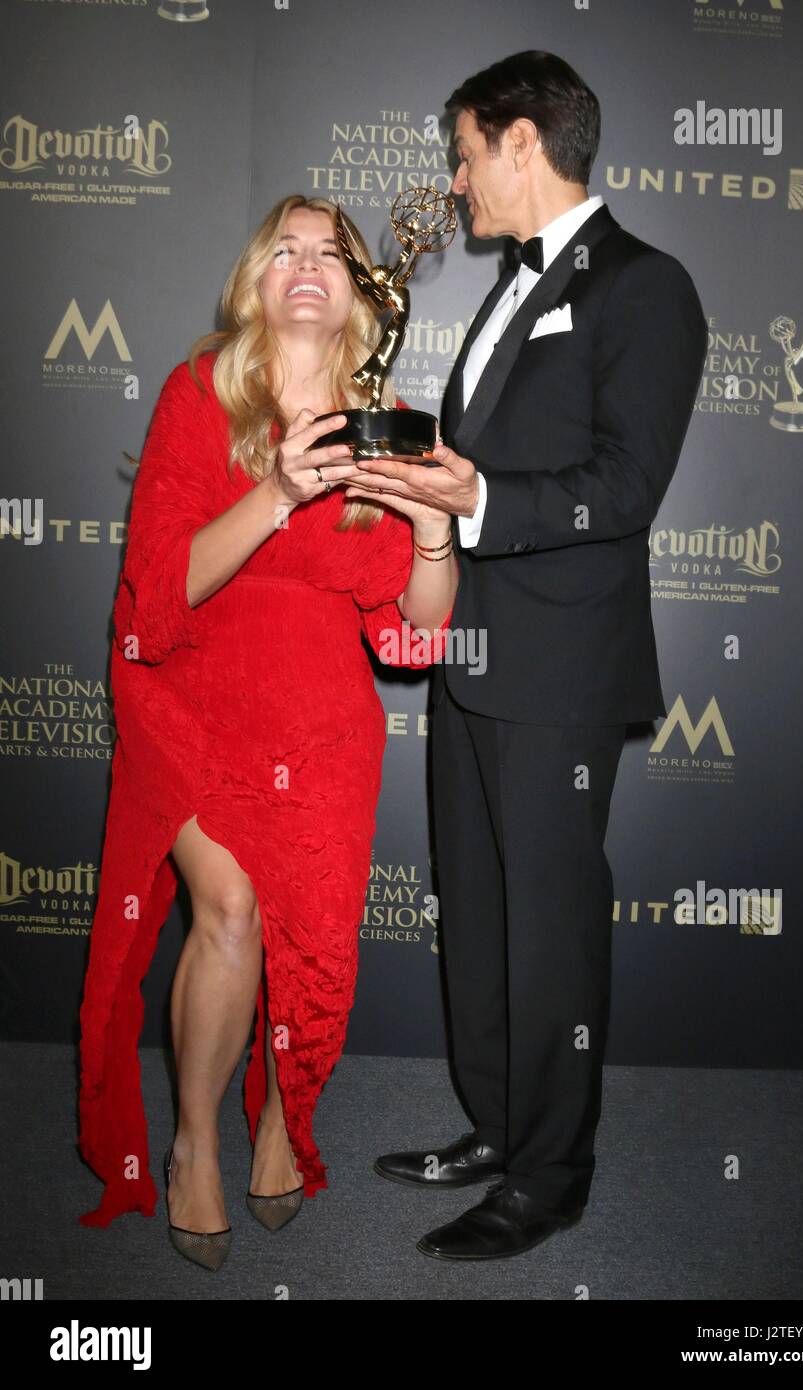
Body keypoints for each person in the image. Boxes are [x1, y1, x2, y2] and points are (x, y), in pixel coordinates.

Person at [347, 51, 707, 1260]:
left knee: (549, 927)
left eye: (461, 152)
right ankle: (498, 1124)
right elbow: (485, 461)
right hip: (474, 653)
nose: (452, 182)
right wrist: (415, 472)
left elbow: (623, 484)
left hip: (559, 669)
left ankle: (550, 1175)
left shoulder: (644, 287)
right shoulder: (507, 286)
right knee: (483, 913)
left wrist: (479, 496)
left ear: (517, 141)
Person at [77, 193, 455, 1270]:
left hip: (323, 723)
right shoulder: (202, 397)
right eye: (282, 248)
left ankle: (282, 1120)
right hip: (188, 696)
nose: (304, 264)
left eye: (328, 253)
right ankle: (195, 1140)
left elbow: (412, 640)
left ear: (358, 296)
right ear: (255, 279)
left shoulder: (387, 418)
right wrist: (281, 490)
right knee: (233, 909)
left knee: (313, 940)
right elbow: (157, 593)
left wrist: (432, 531)